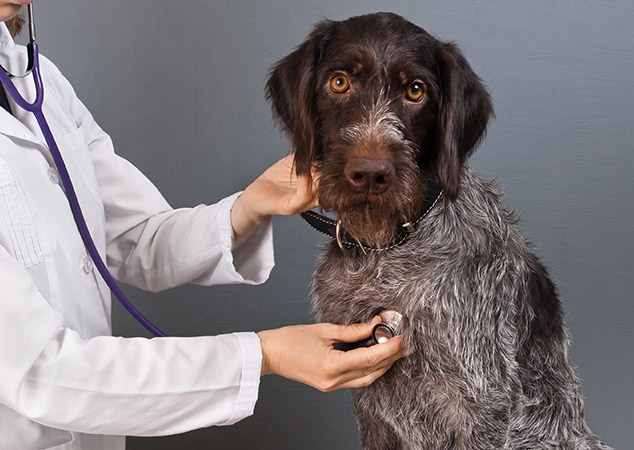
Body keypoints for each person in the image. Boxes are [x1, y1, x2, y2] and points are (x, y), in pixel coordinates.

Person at [0, 4, 405, 450]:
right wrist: (264, 354)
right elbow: (42, 373)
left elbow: (138, 239)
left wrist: (253, 203)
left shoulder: (39, 83)